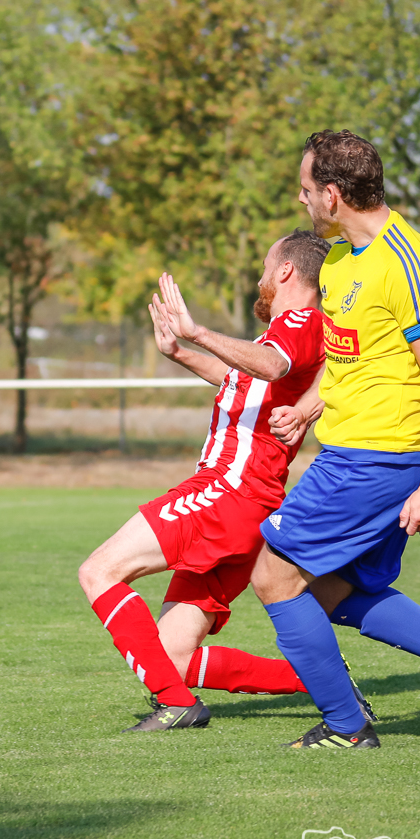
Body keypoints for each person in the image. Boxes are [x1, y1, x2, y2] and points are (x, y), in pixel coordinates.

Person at [252, 129, 420, 750]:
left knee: (273, 577)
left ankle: (347, 725)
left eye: (306, 186)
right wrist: (314, 404)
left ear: (334, 193)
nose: (300, 196)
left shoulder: (411, 261)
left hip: (377, 460)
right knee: (338, 592)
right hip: (348, 450)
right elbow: (355, 358)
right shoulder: (341, 260)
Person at [78, 230, 344, 732]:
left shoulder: (301, 320)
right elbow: (244, 380)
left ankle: (176, 707)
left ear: (286, 271)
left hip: (226, 492)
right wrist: (180, 353)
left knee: (99, 572)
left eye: (267, 267)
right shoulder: (287, 333)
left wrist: (197, 331)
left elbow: (267, 365)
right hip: (247, 504)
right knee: (170, 657)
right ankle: (320, 680)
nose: (261, 277)